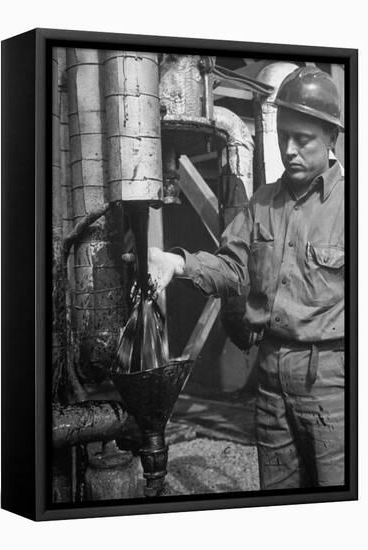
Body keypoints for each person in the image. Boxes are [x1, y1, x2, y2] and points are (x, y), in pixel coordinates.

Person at [147, 66, 345, 489]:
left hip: (332, 379)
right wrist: (177, 263)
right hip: (270, 377)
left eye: (303, 139)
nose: (289, 149)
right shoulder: (262, 204)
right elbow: (233, 267)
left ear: (332, 137)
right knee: (278, 495)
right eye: (283, 136)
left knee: (338, 501)